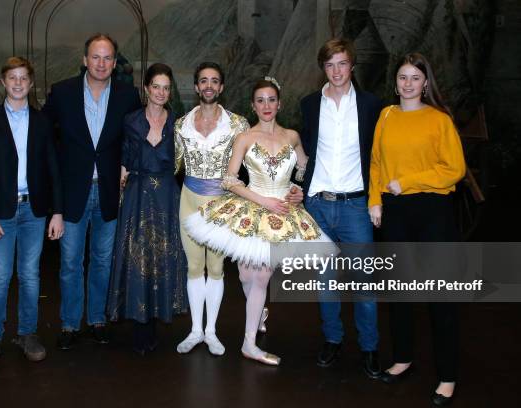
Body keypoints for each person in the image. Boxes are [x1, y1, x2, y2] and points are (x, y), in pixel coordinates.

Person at [184, 78, 333, 365]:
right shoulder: (246, 138)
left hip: (282, 213)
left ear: (280, 103)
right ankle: (259, 312)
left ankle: (249, 343)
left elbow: (303, 168)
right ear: (253, 105)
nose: (266, 105)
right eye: (261, 100)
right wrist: (262, 200)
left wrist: (297, 189)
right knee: (245, 276)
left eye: (271, 100)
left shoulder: (292, 136)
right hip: (252, 208)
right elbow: (229, 180)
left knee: (262, 275)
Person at [368, 52, 465, 406]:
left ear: (426, 83)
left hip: (432, 211)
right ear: (395, 82)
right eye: (403, 77)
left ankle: (448, 376)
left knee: (441, 296)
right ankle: (403, 357)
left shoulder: (439, 120)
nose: (408, 83)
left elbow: (454, 168)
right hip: (394, 211)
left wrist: (406, 181)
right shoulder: (386, 116)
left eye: (415, 78)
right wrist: (374, 201)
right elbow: (376, 161)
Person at [42, 33, 141, 349]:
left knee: (102, 261)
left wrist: (128, 166)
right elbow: (43, 137)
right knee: (70, 262)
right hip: (72, 193)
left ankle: (97, 319)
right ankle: (70, 324)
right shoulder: (63, 93)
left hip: (111, 191)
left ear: (115, 62)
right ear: (85, 60)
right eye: (95, 57)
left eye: (108, 57)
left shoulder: (128, 96)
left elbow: (135, 140)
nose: (101, 63)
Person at [0, 56, 63, 366]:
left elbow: (53, 169)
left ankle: (27, 334)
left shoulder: (42, 122)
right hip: (0, 213)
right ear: (3, 82)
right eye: (13, 77)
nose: (19, 83)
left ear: (31, 83)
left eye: (24, 78)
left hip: (34, 212)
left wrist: (57, 212)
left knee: (30, 276)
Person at [300, 38, 382, 378]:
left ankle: (370, 347)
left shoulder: (371, 105)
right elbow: (303, 152)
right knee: (326, 282)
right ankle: (333, 339)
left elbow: (378, 156)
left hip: (355, 206)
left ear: (352, 66)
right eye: (330, 64)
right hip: (318, 205)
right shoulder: (308, 104)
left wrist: (377, 198)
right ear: (324, 67)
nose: (336, 71)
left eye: (342, 63)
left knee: (365, 285)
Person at [107, 63, 188, 355]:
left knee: (163, 258)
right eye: (156, 86)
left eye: (166, 87)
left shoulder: (177, 123)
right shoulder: (131, 120)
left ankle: (154, 322)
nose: (161, 92)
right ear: (146, 88)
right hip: (138, 196)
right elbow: (125, 160)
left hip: (166, 197)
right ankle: (139, 326)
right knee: (137, 257)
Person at [173, 62, 249, 356]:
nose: (208, 86)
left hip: (222, 204)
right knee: (194, 267)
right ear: (196, 86)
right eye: (203, 80)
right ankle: (194, 331)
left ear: (221, 87)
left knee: (216, 269)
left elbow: (252, 165)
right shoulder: (181, 124)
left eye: (214, 81)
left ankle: (212, 332)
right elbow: (171, 165)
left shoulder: (238, 124)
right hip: (189, 200)